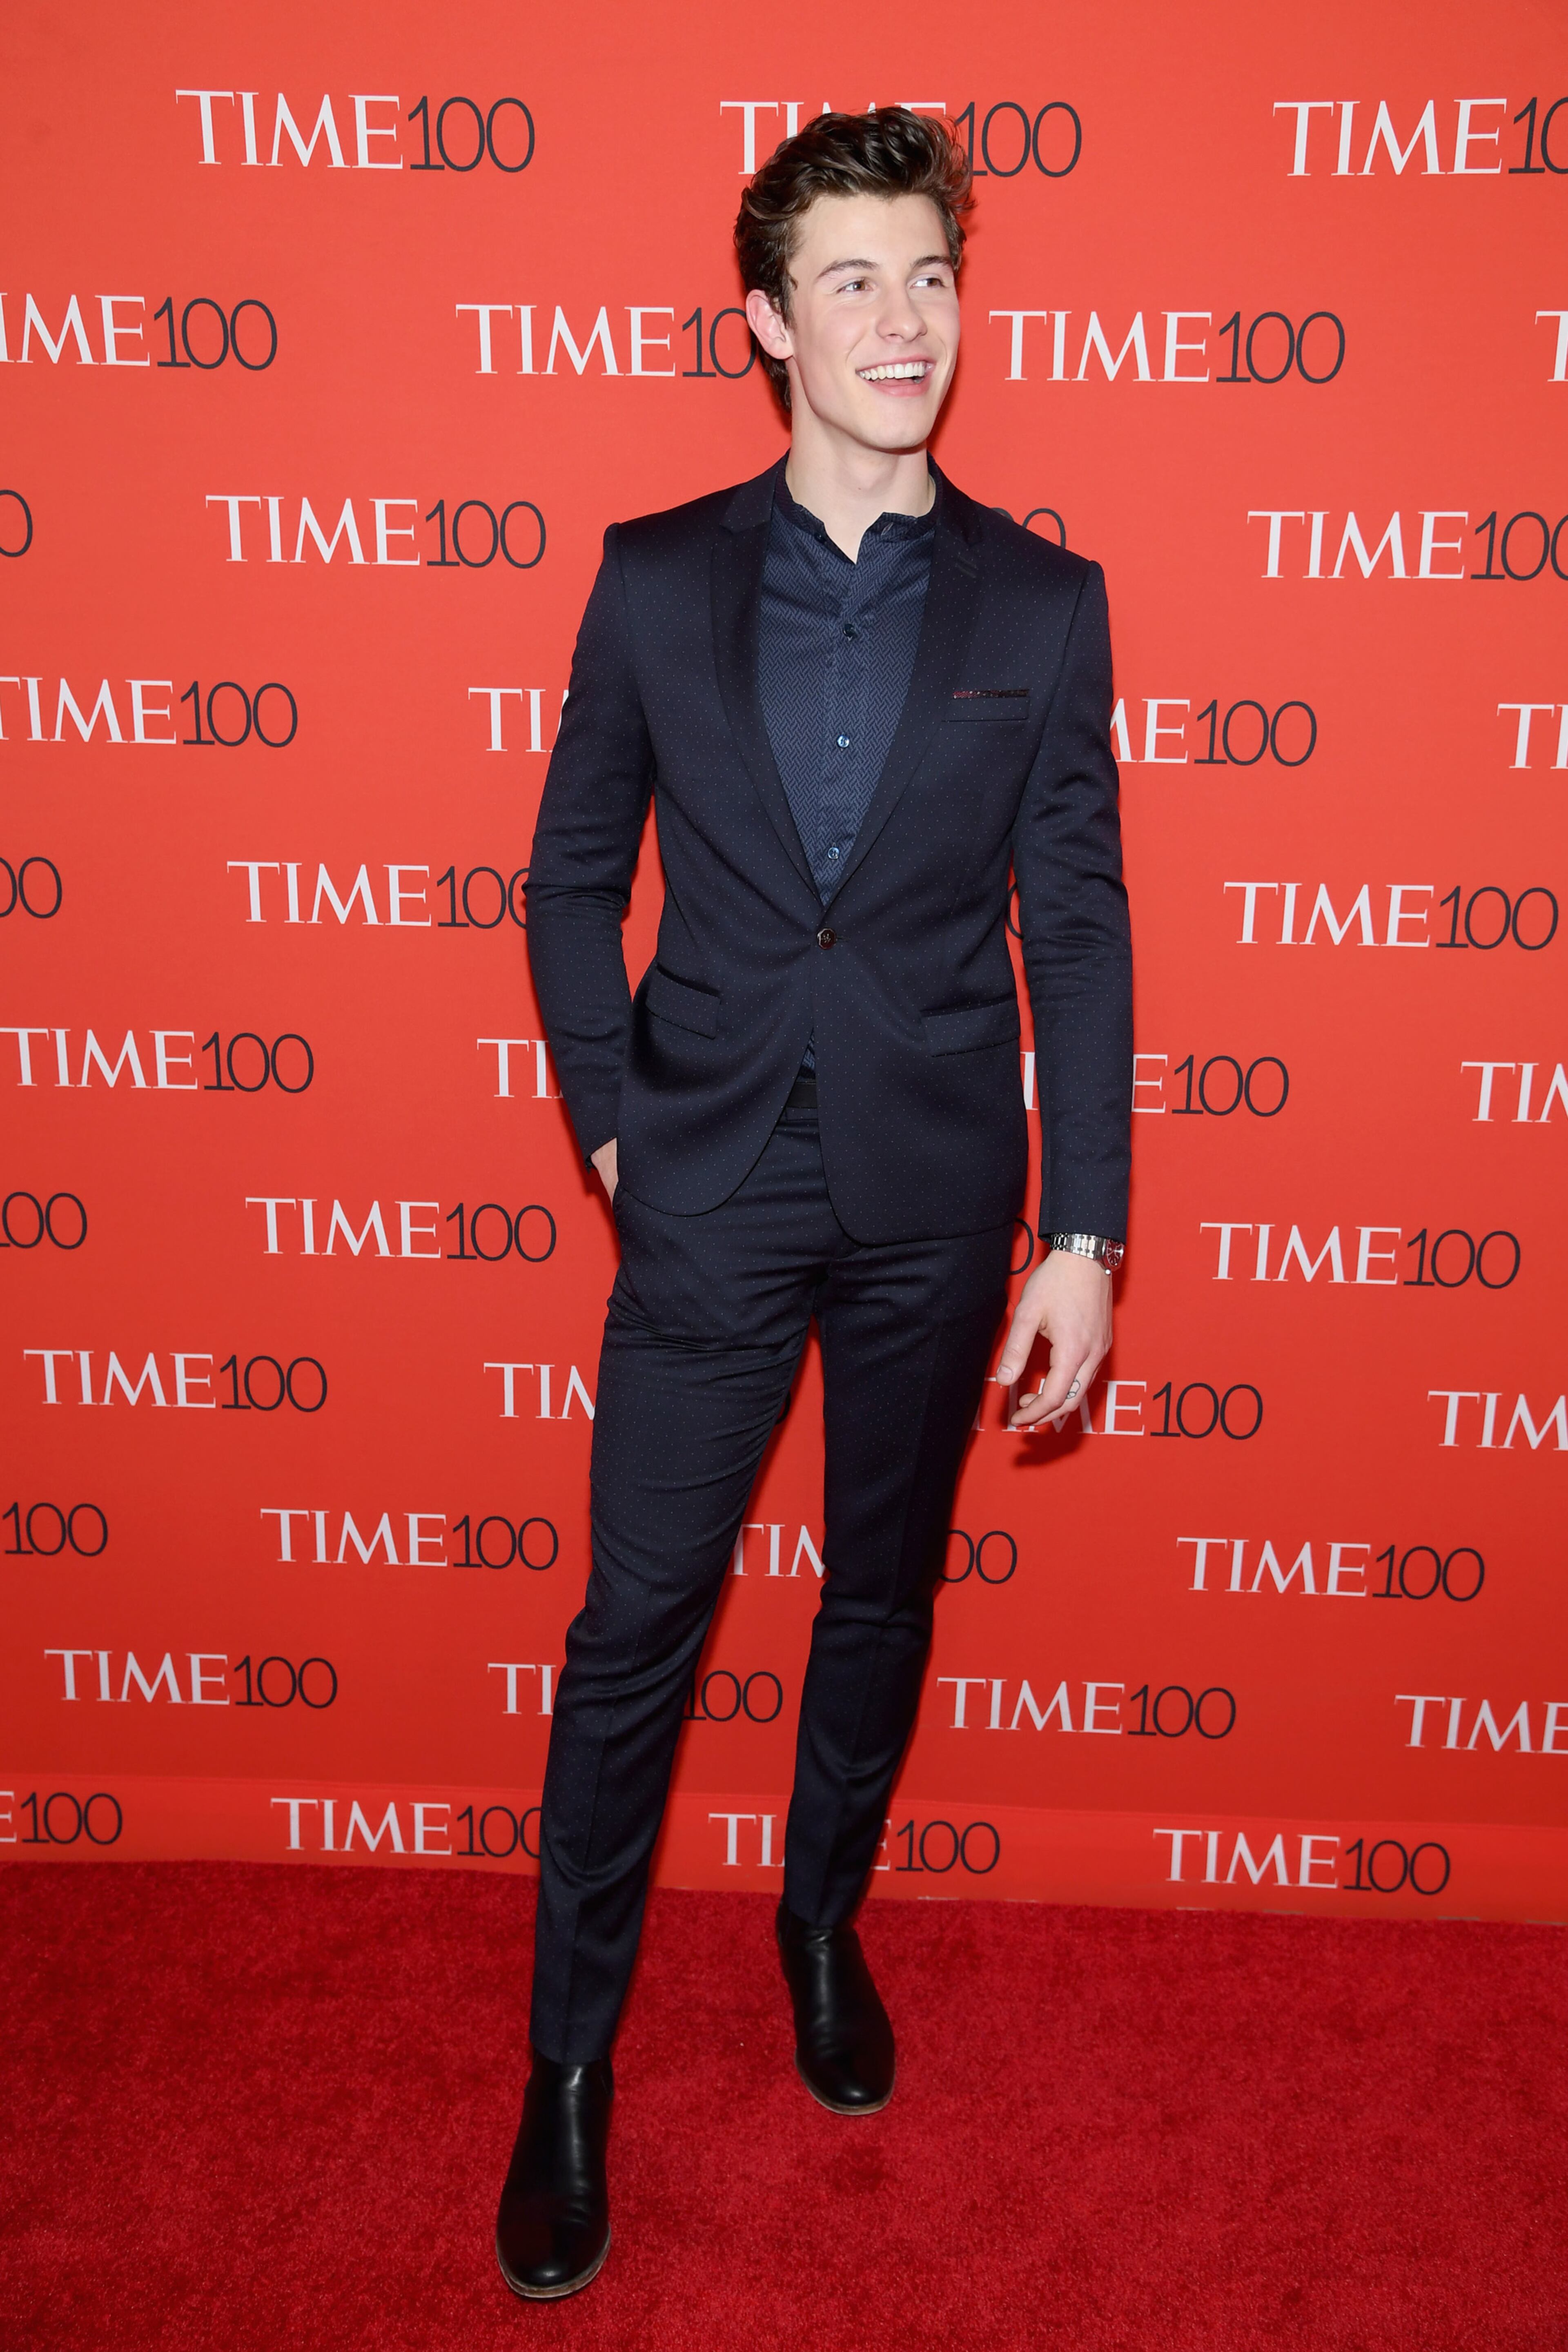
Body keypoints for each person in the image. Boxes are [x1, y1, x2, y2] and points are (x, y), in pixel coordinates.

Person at [496, 106, 1132, 2299]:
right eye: (853, 280)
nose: (904, 319)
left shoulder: (1049, 603)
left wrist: (1086, 1230)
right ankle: (565, 2071)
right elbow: (573, 872)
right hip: (707, 1182)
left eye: (930, 276)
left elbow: (1085, 920)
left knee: (879, 1600)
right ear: (766, 320)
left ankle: (820, 1925)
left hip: (943, 1201)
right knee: (634, 1635)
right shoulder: (657, 575)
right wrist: (604, 1108)